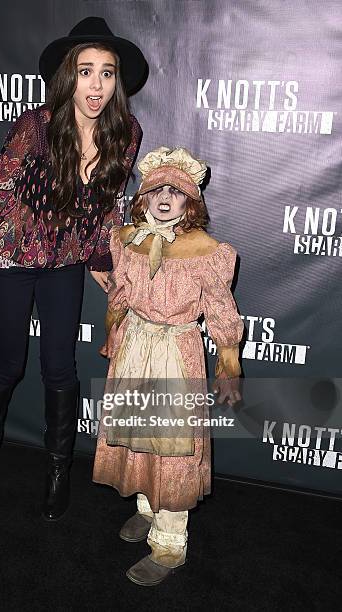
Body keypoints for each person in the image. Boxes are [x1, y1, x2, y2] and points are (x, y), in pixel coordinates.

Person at [0, 17, 146, 522]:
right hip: (11, 257)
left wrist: (103, 261)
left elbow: (108, 207)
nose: (97, 85)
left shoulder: (127, 134)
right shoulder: (38, 126)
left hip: (64, 261)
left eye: (107, 73)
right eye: (86, 72)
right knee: (7, 364)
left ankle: (58, 470)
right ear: (68, 76)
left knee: (61, 368)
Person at [92, 146, 244, 585]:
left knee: (173, 448)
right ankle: (147, 506)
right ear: (142, 196)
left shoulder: (206, 251)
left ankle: (170, 543)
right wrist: (113, 337)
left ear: (189, 203)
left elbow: (221, 312)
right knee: (137, 435)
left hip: (176, 352)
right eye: (155, 189)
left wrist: (228, 363)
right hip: (136, 346)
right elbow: (119, 296)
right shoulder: (125, 240)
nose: (163, 198)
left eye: (175, 193)